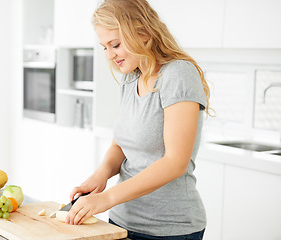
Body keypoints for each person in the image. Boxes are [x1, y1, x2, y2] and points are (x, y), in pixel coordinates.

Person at [65, 0, 211, 239]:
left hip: (168, 228)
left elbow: (175, 162)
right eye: (104, 47)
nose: (110, 55)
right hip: (121, 221)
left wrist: (107, 198)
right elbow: (120, 144)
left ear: (143, 32)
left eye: (115, 44)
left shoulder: (178, 74)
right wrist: (100, 176)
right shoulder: (131, 77)